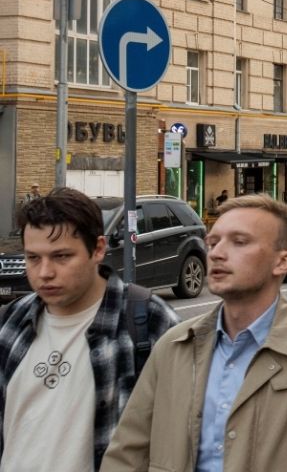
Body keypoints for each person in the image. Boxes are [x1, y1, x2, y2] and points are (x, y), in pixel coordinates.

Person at [101, 195, 287, 471]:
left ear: (283, 261)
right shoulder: (174, 346)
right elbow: (126, 456)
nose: (216, 253)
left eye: (239, 242)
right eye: (213, 242)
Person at [1, 188, 179, 471]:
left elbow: (186, 430)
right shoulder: (12, 321)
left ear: (98, 249)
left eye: (61, 256)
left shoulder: (148, 320)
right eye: (33, 258)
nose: (45, 272)